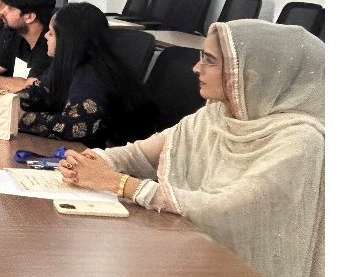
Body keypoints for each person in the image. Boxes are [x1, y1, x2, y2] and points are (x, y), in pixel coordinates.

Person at [59, 20, 325, 277]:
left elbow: (224, 209)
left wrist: (120, 184)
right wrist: (92, 160)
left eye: (209, 60)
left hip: (246, 266)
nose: (197, 68)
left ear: (247, 75)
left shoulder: (301, 140)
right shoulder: (217, 114)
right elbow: (141, 154)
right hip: (197, 247)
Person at [14, 3, 156, 146]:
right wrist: (8, 102)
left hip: (107, 151)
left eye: (51, 33)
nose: (45, 35)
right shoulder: (67, 65)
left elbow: (75, 127)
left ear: (67, 41)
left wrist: (21, 117)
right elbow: (37, 91)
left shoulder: (90, 76)